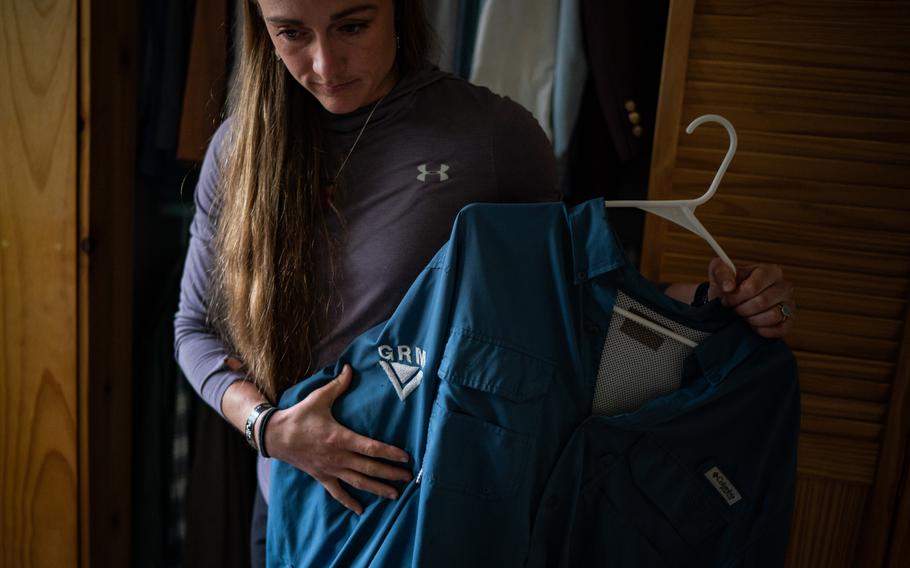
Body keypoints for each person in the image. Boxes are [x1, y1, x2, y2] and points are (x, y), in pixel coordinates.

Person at [174, 0, 796, 565]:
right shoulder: (241, 150)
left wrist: (716, 303)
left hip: (437, 508)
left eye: (352, 26)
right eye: (291, 34)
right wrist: (269, 428)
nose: (324, 63)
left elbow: (574, 306)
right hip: (287, 499)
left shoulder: (492, 136)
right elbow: (193, 329)